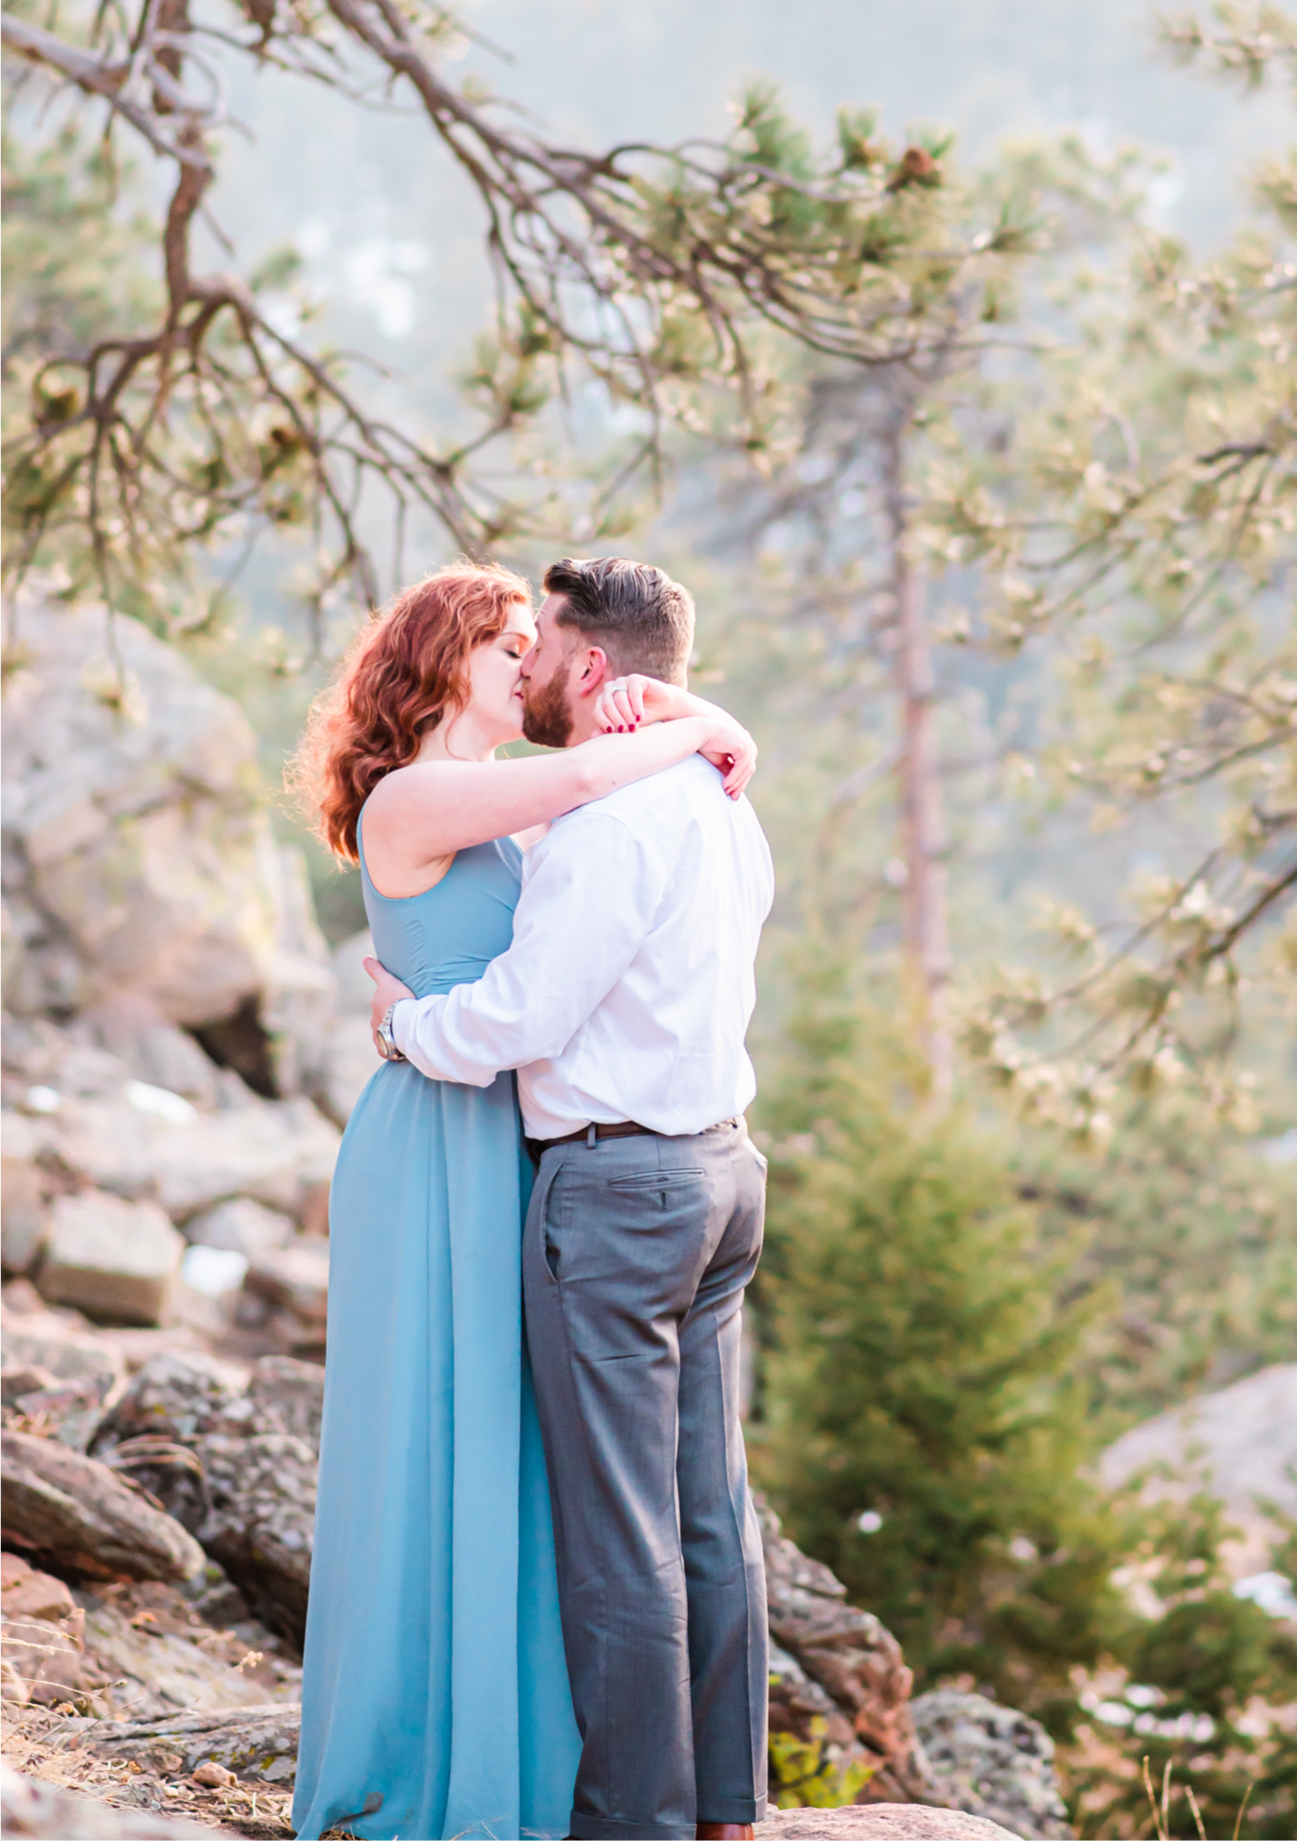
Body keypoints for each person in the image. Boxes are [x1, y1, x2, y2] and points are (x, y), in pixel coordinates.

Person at [288, 560, 757, 1841]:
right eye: (501, 643)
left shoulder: (513, 819)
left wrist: (694, 724)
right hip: (436, 1133)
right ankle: (434, 1749)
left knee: (523, 1460)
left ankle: (530, 1753)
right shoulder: (427, 793)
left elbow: (594, 843)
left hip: (522, 1143)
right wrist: (706, 727)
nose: (525, 661)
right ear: (440, 664)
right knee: (439, 1439)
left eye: (532, 639)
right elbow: (591, 779)